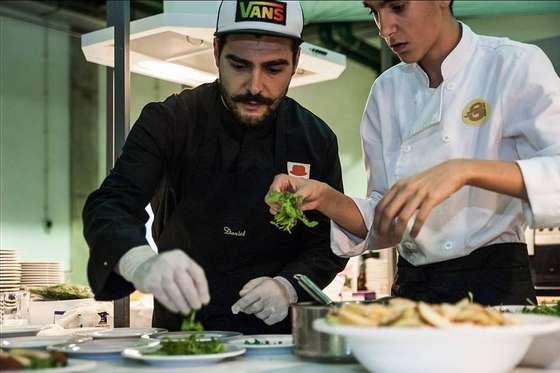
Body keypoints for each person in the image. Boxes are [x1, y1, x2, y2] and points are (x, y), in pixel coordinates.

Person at [267, 0, 560, 306]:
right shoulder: (387, 91)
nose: (385, 29)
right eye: (374, 12)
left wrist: (464, 170)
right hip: (413, 289)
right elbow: (387, 219)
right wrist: (325, 198)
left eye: (398, 6)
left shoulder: (511, 65)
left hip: (494, 288)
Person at [83, 0, 347, 334]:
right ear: (216, 51)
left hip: (276, 339)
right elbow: (111, 205)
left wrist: (288, 285)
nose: (255, 86)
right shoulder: (170, 121)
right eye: (239, 65)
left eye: (274, 69)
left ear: (296, 61)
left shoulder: (315, 138)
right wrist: (140, 263)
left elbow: (328, 242)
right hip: (181, 337)